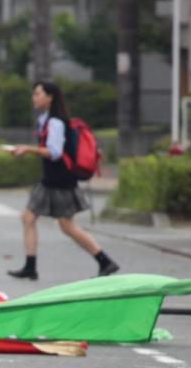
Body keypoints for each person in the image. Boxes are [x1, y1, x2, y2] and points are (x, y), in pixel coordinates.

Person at [8, 80, 119, 280]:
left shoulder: (56, 122)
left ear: (50, 97)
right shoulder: (46, 120)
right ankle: (30, 266)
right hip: (53, 180)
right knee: (31, 218)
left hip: (59, 181)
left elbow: (55, 152)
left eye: (38, 94)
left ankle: (104, 260)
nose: (34, 97)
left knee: (63, 225)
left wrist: (27, 149)